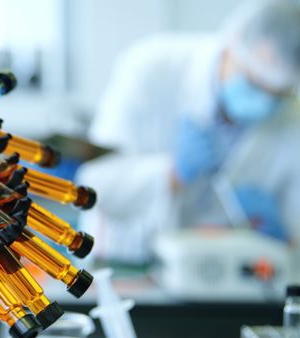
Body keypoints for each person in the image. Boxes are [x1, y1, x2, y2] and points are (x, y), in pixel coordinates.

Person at [76, 0, 300, 263]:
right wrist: (172, 174)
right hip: (129, 263)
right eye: (253, 81)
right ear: (233, 44)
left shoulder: (290, 117)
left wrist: (283, 233)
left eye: (278, 94)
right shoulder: (153, 66)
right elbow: (94, 184)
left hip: (225, 279)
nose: (263, 100)